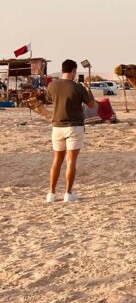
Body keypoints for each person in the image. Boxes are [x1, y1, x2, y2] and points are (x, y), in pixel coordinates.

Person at [45, 59, 94, 202]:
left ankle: (51, 193)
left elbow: (49, 100)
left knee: (57, 160)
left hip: (57, 127)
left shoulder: (52, 85)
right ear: (73, 71)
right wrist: (88, 89)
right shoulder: (78, 87)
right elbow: (91, 105)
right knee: (71, 161)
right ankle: (68, 193)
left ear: (62, 70)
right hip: (74, 126)